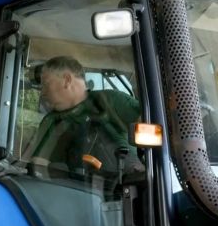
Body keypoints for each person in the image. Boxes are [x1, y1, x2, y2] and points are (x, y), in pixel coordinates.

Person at [26, 56, 143, 184]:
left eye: (46, 84)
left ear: (67, 80)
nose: (42, 92)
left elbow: (149, 122)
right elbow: (38, 167)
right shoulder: (52, 121)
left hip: (125, 191)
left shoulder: (110, 100)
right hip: (76, 193)